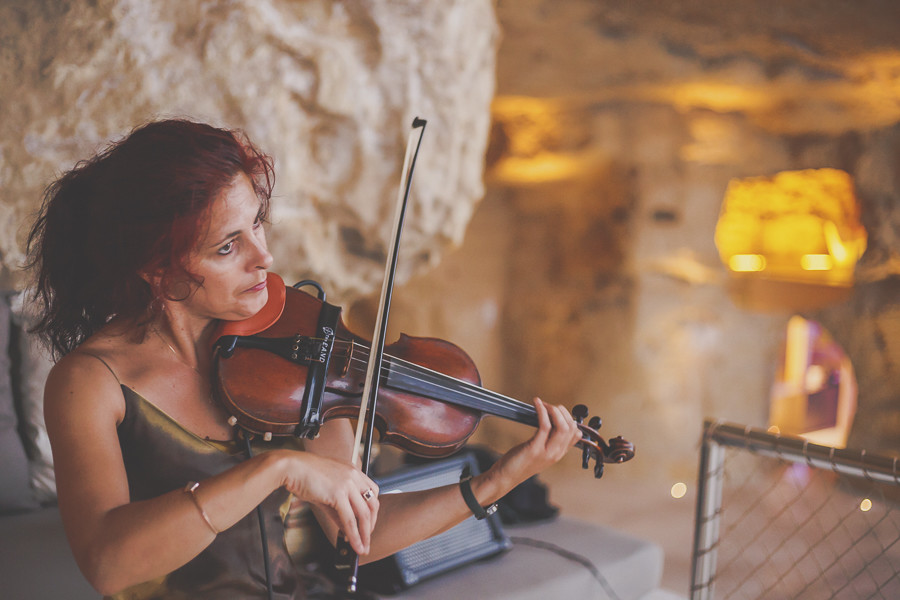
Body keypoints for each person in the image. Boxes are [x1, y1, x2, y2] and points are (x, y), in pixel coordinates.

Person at [25, 119, 582, 599]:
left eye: (257, 223)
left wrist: (500, 480)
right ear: (157, 268)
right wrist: (277, 468)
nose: (263, 258)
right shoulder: (90, 382)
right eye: (227, 246)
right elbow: (107, 563)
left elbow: (359, 536)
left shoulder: (300, 344)